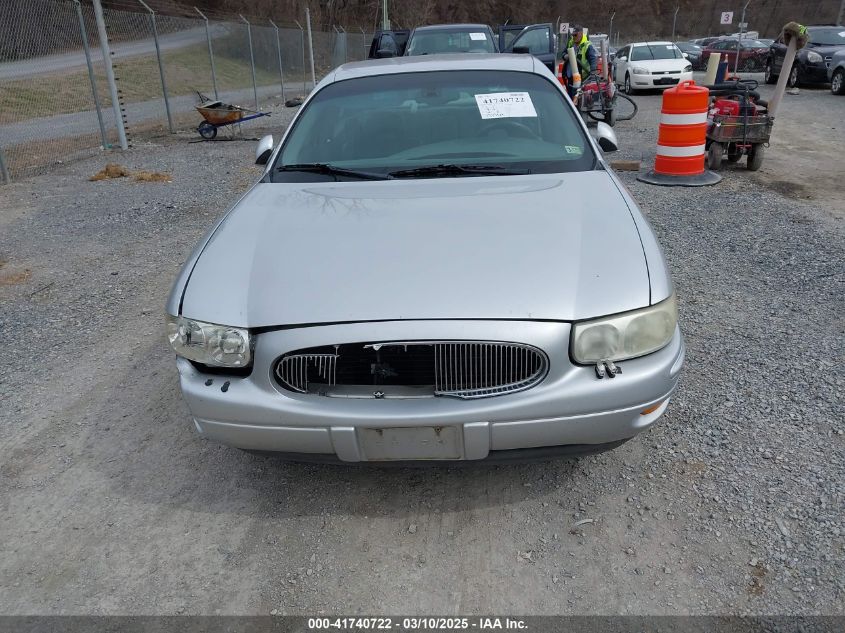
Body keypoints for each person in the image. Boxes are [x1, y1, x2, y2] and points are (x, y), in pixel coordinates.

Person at [562, 25, 598, 97]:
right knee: (571, 96)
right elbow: (563, 53)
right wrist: (566, 56)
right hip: (570, 76)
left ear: (581, 34)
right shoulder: (571, 42)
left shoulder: (587, 45)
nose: (574, 37)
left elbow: (593, 59)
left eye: (575, 35)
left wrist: (593, 69)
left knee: (578, 97)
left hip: (582, 78)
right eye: (573, 35)